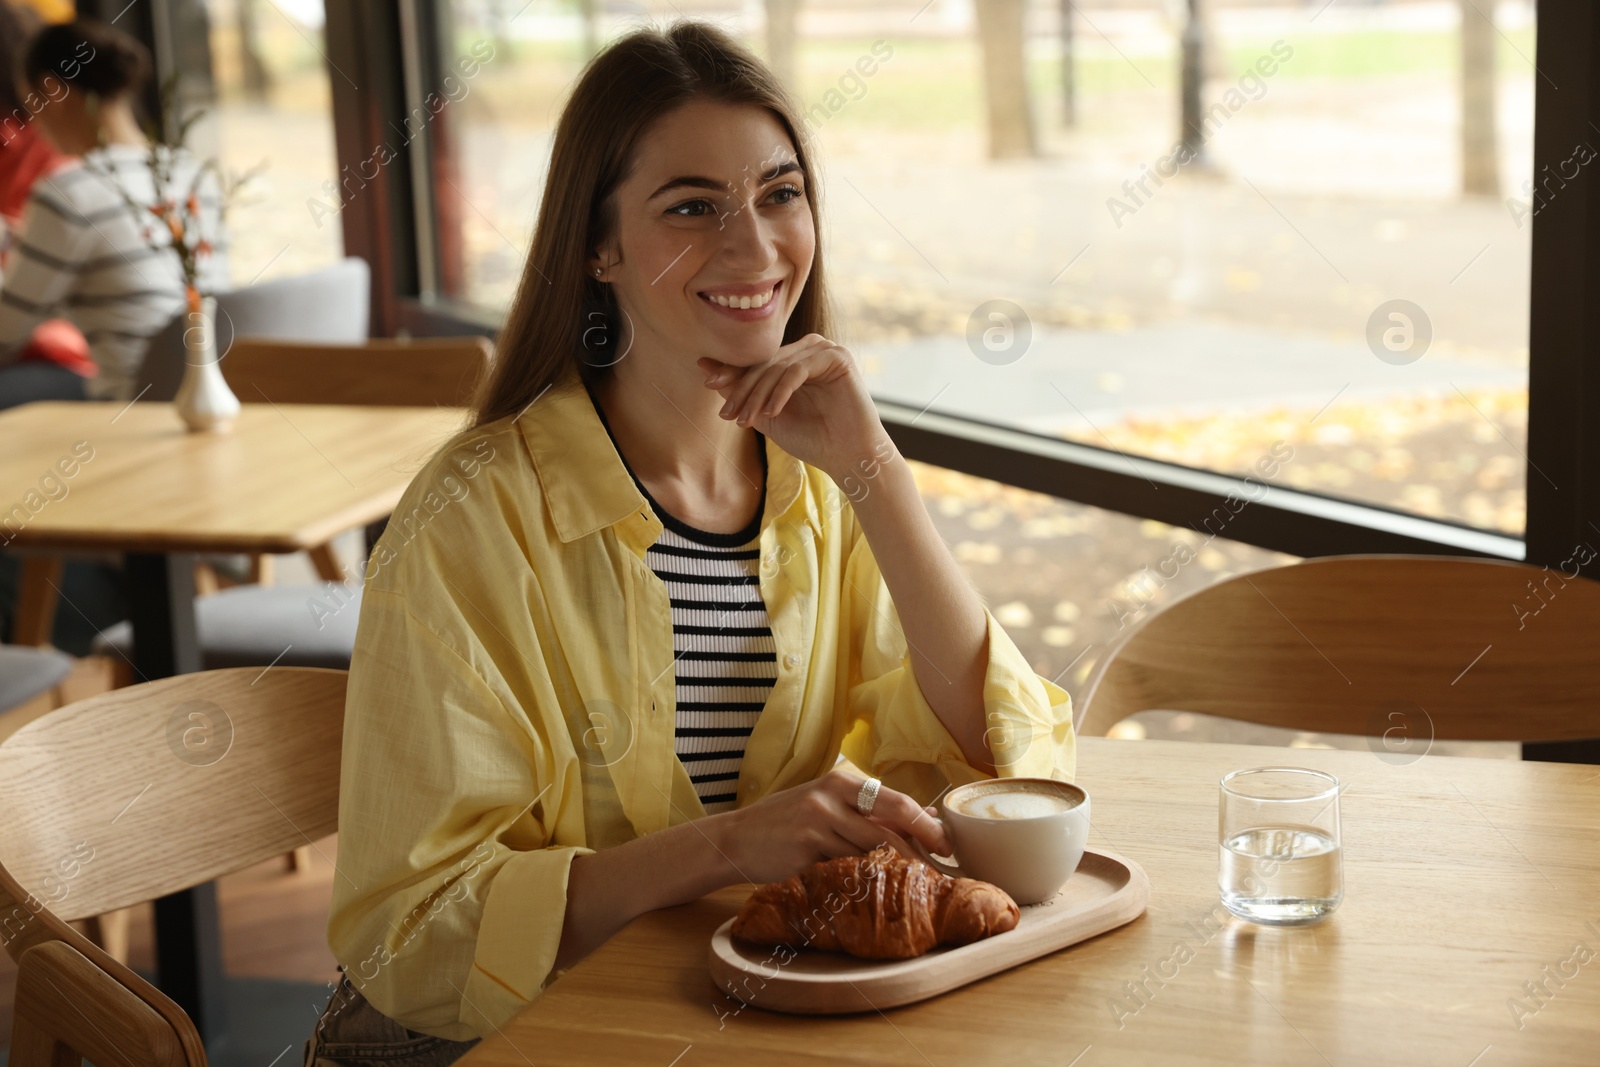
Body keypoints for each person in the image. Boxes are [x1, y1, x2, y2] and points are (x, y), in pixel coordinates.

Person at [307, 20, 1074, 1063]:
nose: (754, 247)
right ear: (598, 246)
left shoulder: (816, 484)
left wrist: (876, 473)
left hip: (720, 1020)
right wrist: (723, 846)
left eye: (779, 193)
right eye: (691, 207)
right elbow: (412, 932)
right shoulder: (471, 516)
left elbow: (996, 762)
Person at [0, 18, 227, 410]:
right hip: (204, 392)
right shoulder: (193, 174)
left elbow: (5, 337)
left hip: (125, 399)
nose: (33, 121)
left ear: (54, 91)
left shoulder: (68, 191)